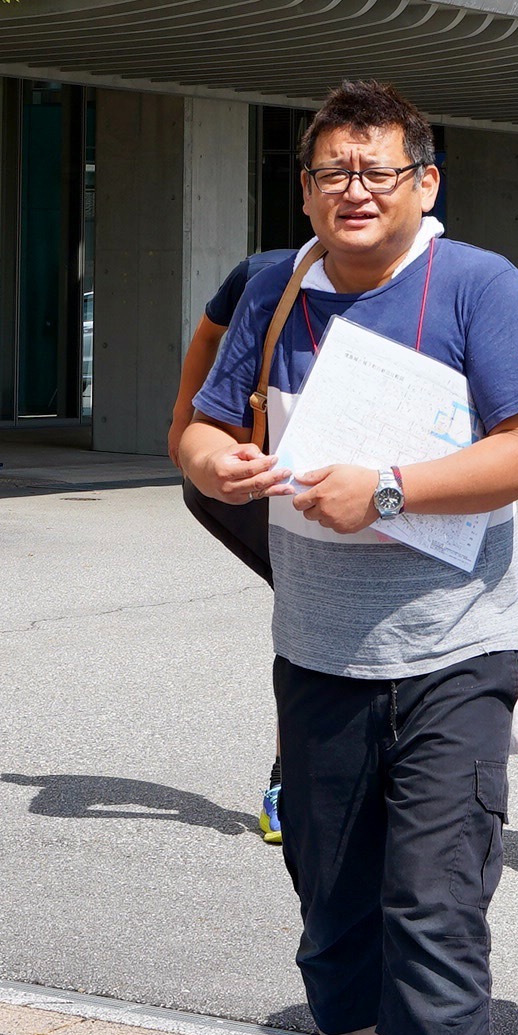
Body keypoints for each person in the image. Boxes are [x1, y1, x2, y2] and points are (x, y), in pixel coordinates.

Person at [178, 81, 518, 1035]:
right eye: (331, 171)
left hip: (456, 650)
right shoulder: (271, 286)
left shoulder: (478, 288)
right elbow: (193, 432)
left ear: (422, 183)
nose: (352, 189)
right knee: (333, 910)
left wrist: (388, 486)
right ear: (304, 187)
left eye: (376, 170)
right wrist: (223, 465)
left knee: (434, 910)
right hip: (319, 654)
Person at [177, 248, 299, 843]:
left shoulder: (420, 278)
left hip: (343, 485)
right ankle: (287, 781)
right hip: (257, 474)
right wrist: (184, 428)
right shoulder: (264, 274)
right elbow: (206, 337)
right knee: (303, 611)